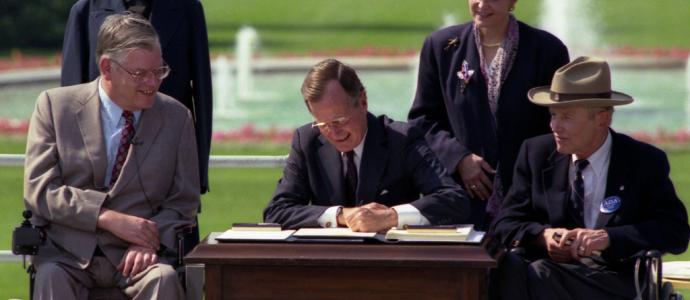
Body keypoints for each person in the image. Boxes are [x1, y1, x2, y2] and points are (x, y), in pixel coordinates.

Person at [24, 13, 200, 299]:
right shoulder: (55, 107)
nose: (152, 83)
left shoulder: (177, 118)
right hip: (68, 254)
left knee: (164, 279)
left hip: (139, 259)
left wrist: (148, 242)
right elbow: (40, 191)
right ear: (107, 68)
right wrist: (105, 217)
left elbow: (183, 201)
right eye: (140, 74)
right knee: (50, 276)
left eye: (159, 71)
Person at [490, 56, 690, 299]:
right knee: (508, 266)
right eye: (553, 115)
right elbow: (504, 224)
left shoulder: (643, 161)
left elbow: (675, 232)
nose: (555, 126)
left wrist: (608, 238)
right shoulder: (536, 153)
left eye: (566, 117)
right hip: (545, 273)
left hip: (613, 279)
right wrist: (545, 237)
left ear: (602, 119)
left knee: (540, 274)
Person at [407, 0, 569, 228]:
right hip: (461, 200)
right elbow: (423, 120)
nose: (482, 5)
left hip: (527, 200)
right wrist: (459, 158)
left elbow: (557, 123)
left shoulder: (547, 49)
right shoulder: (440, 46)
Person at [264, 59, 470, 232]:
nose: (334, 133)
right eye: (323, 124)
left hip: (392, 266)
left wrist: (390, 217)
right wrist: (340, 215)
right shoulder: (306, 140)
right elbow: (276, 212)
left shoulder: (402, 139)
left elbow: (454, 201)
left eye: (340, 120)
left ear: (363, 101)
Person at [60, 0, 213, 194]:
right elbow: (71, 95)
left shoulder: (188, 7)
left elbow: (202, 89)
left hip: (167, 153)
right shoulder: (86, 9)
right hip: (101, 156)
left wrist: (197, 175)